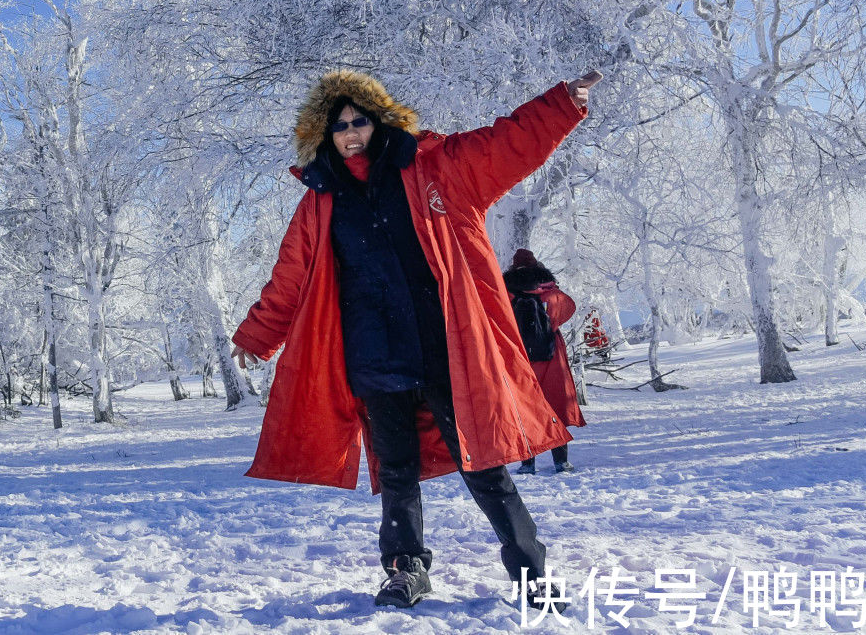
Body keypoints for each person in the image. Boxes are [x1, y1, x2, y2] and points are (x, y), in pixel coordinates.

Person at [230, 68, 598, 611]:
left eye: (361, 120)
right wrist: (260, 332)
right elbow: (291, 276)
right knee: (397, 474)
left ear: (379, 122)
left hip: (445, 351)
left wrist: (561, 105)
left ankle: (531, 573)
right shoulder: (320, 202)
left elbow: (503, 144)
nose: (352, 133)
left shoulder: (435, 167)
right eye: (340, 126)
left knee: (486, 466)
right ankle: (405, 570)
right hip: (375, 359)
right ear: (323, 135)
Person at [504, 249, 585, 475]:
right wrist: (550, 324)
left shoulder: (506, 293)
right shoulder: (551, 293)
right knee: (554, 406)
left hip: (520, 358)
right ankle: (561, 462)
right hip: (551, 356)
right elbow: (568, 308)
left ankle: (527, 463)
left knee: (525, 408)